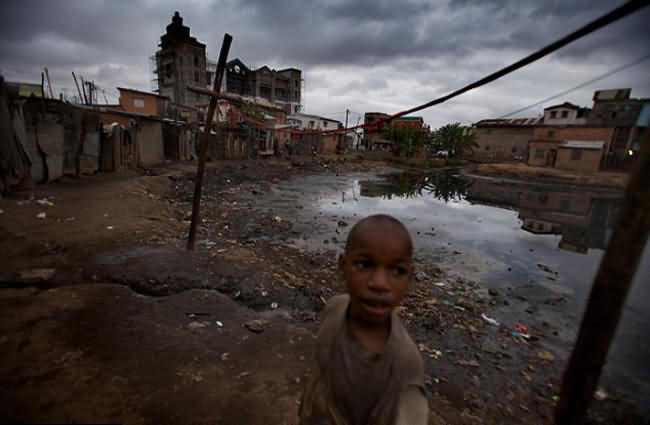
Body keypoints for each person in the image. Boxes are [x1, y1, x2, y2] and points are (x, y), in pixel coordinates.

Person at [299, 214, 428, 425]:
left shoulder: (404, 366)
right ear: (342, 267)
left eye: (397, 270)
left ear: (409, 279)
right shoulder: (335, 308)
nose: (379, 283)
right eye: (364, 264)